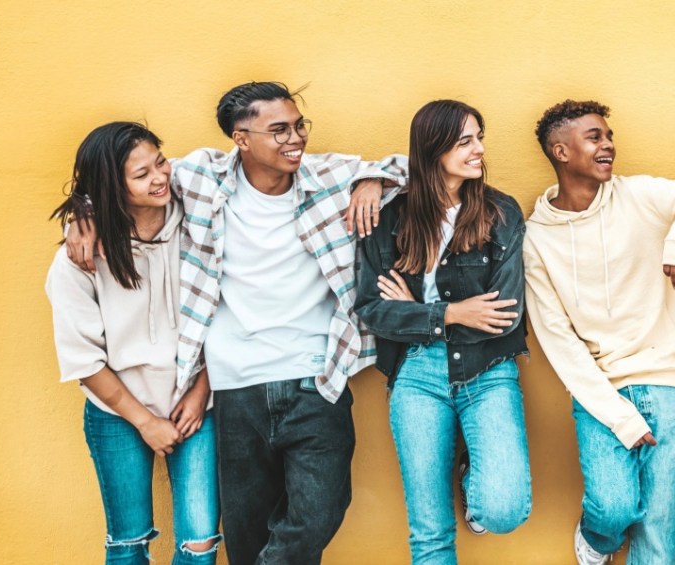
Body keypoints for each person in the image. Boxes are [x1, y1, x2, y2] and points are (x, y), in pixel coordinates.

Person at [66, 81, 407, 564]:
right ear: (241, 139)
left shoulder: (332, 176)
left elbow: (417, 169)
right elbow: (119, 183)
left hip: (317, 377)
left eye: (298, 126)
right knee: (245, 532)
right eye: (279, 130)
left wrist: (374, 179)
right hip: (234, 387)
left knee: (321, 508)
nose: (295, 139)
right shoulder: (199, 178)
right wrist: (83, 215)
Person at [523, 100, 675, 565]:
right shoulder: (536, 237)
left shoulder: (638, 195)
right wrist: (618, 416)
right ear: (560, 151)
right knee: (613, 505)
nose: (608, 145)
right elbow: (558, 341)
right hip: (601, 390)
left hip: (668, 382)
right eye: (594, 137)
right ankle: (597, 540)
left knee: (659, 527)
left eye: (608, 135)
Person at [354, 100, 530, 564]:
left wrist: (416, 314)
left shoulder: (501, 212)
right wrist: (447, 315)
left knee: (504, 509)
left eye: (479, 137)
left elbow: (503, 316)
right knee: (430, 531)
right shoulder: (390, 217)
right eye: (465, 141)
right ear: (433, 151)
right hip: (415, 376)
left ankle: (474, 476)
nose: (480, 150)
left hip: (488, 372)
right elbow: (372, 309)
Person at [46, 122, 220, 564]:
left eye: (159, 162)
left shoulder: (200, 226)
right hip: (117, 413)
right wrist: (144, 421)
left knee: (200, 544)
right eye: (141, 175)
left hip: (195, 404)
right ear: (111, 186)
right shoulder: (79, 259)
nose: (159, 177)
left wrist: (202, 392)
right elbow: (84, 360)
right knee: (128, 543)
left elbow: (228, 318)